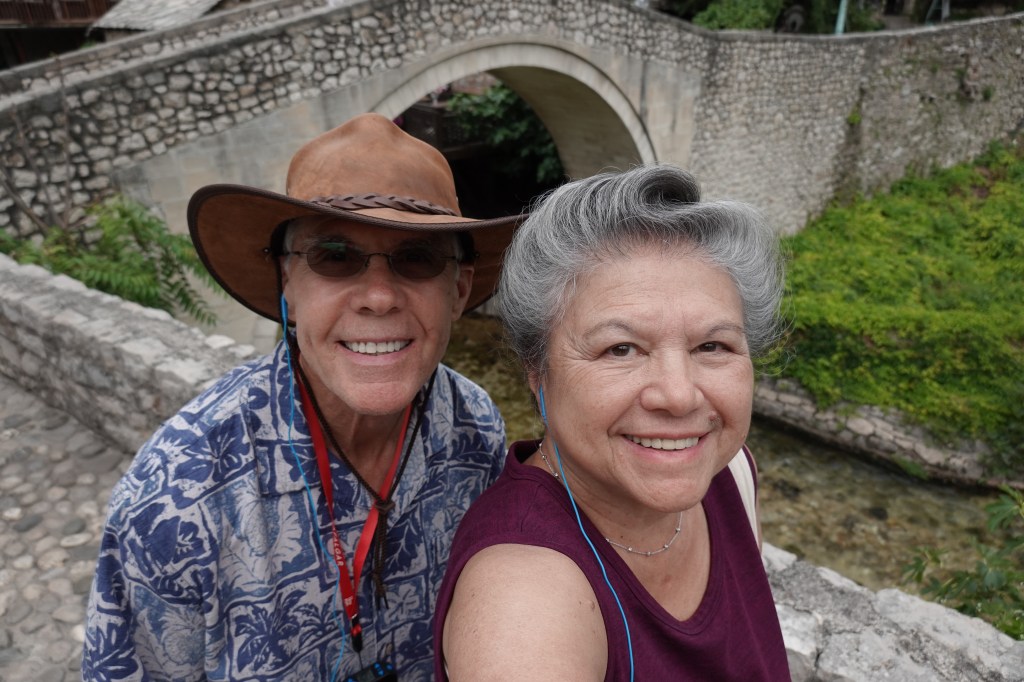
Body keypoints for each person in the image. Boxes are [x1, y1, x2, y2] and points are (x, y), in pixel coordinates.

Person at [82, 113, 524, 681]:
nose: (379, 297)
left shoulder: (474, 426)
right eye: (334, 256)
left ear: (458, 290)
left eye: (419, 258)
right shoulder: (177, 498)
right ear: (286, 283)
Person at [433, 164, 791, 680]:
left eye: (713, 346)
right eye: (620, 349)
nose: (678, 395)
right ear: (537, 371)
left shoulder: (731, 474)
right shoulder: (521, 603)